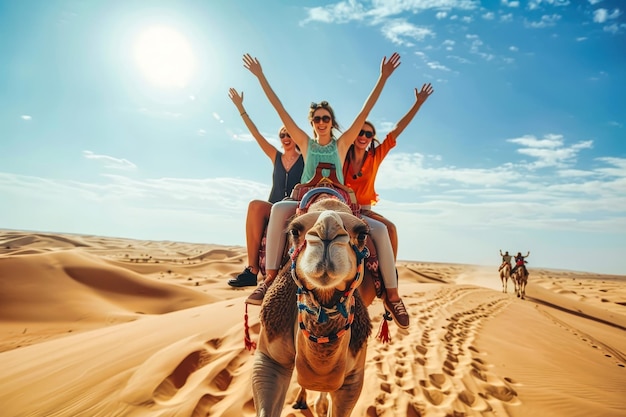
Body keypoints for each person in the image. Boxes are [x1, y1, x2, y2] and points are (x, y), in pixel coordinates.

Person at [241, 52, 411, 329]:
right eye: (317, 118)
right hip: (306, 204)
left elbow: (364, 112)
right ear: (312, 123)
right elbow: (279, 108)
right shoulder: (306, 144)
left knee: (379, 230)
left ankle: (392, 296)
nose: (322, 122)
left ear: (332, 122)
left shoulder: (341, 144)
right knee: (277, 210)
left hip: (338, 204)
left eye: (326, 118)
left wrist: (383, 78)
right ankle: (269, 279)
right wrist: (261, 77)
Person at [344, 83, 434, 259]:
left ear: (371, 139)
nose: (363, 137)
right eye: (360, 132)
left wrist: (418, 104)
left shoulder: (375, 156)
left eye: (368, 134)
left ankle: (390, 278)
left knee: (390, 228)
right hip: (344, 209)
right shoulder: (342, 156)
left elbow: (396, 130)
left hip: (365, 211)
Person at [226, 88, 304, 288]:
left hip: (295, 207)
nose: (286, 138)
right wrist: (240, 107)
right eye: (282, 135)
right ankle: (252, 270)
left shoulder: (305, 158)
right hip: (274, 206)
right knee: (254, 206)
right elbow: (256, 134)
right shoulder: (275, 156)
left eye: (289, 134)